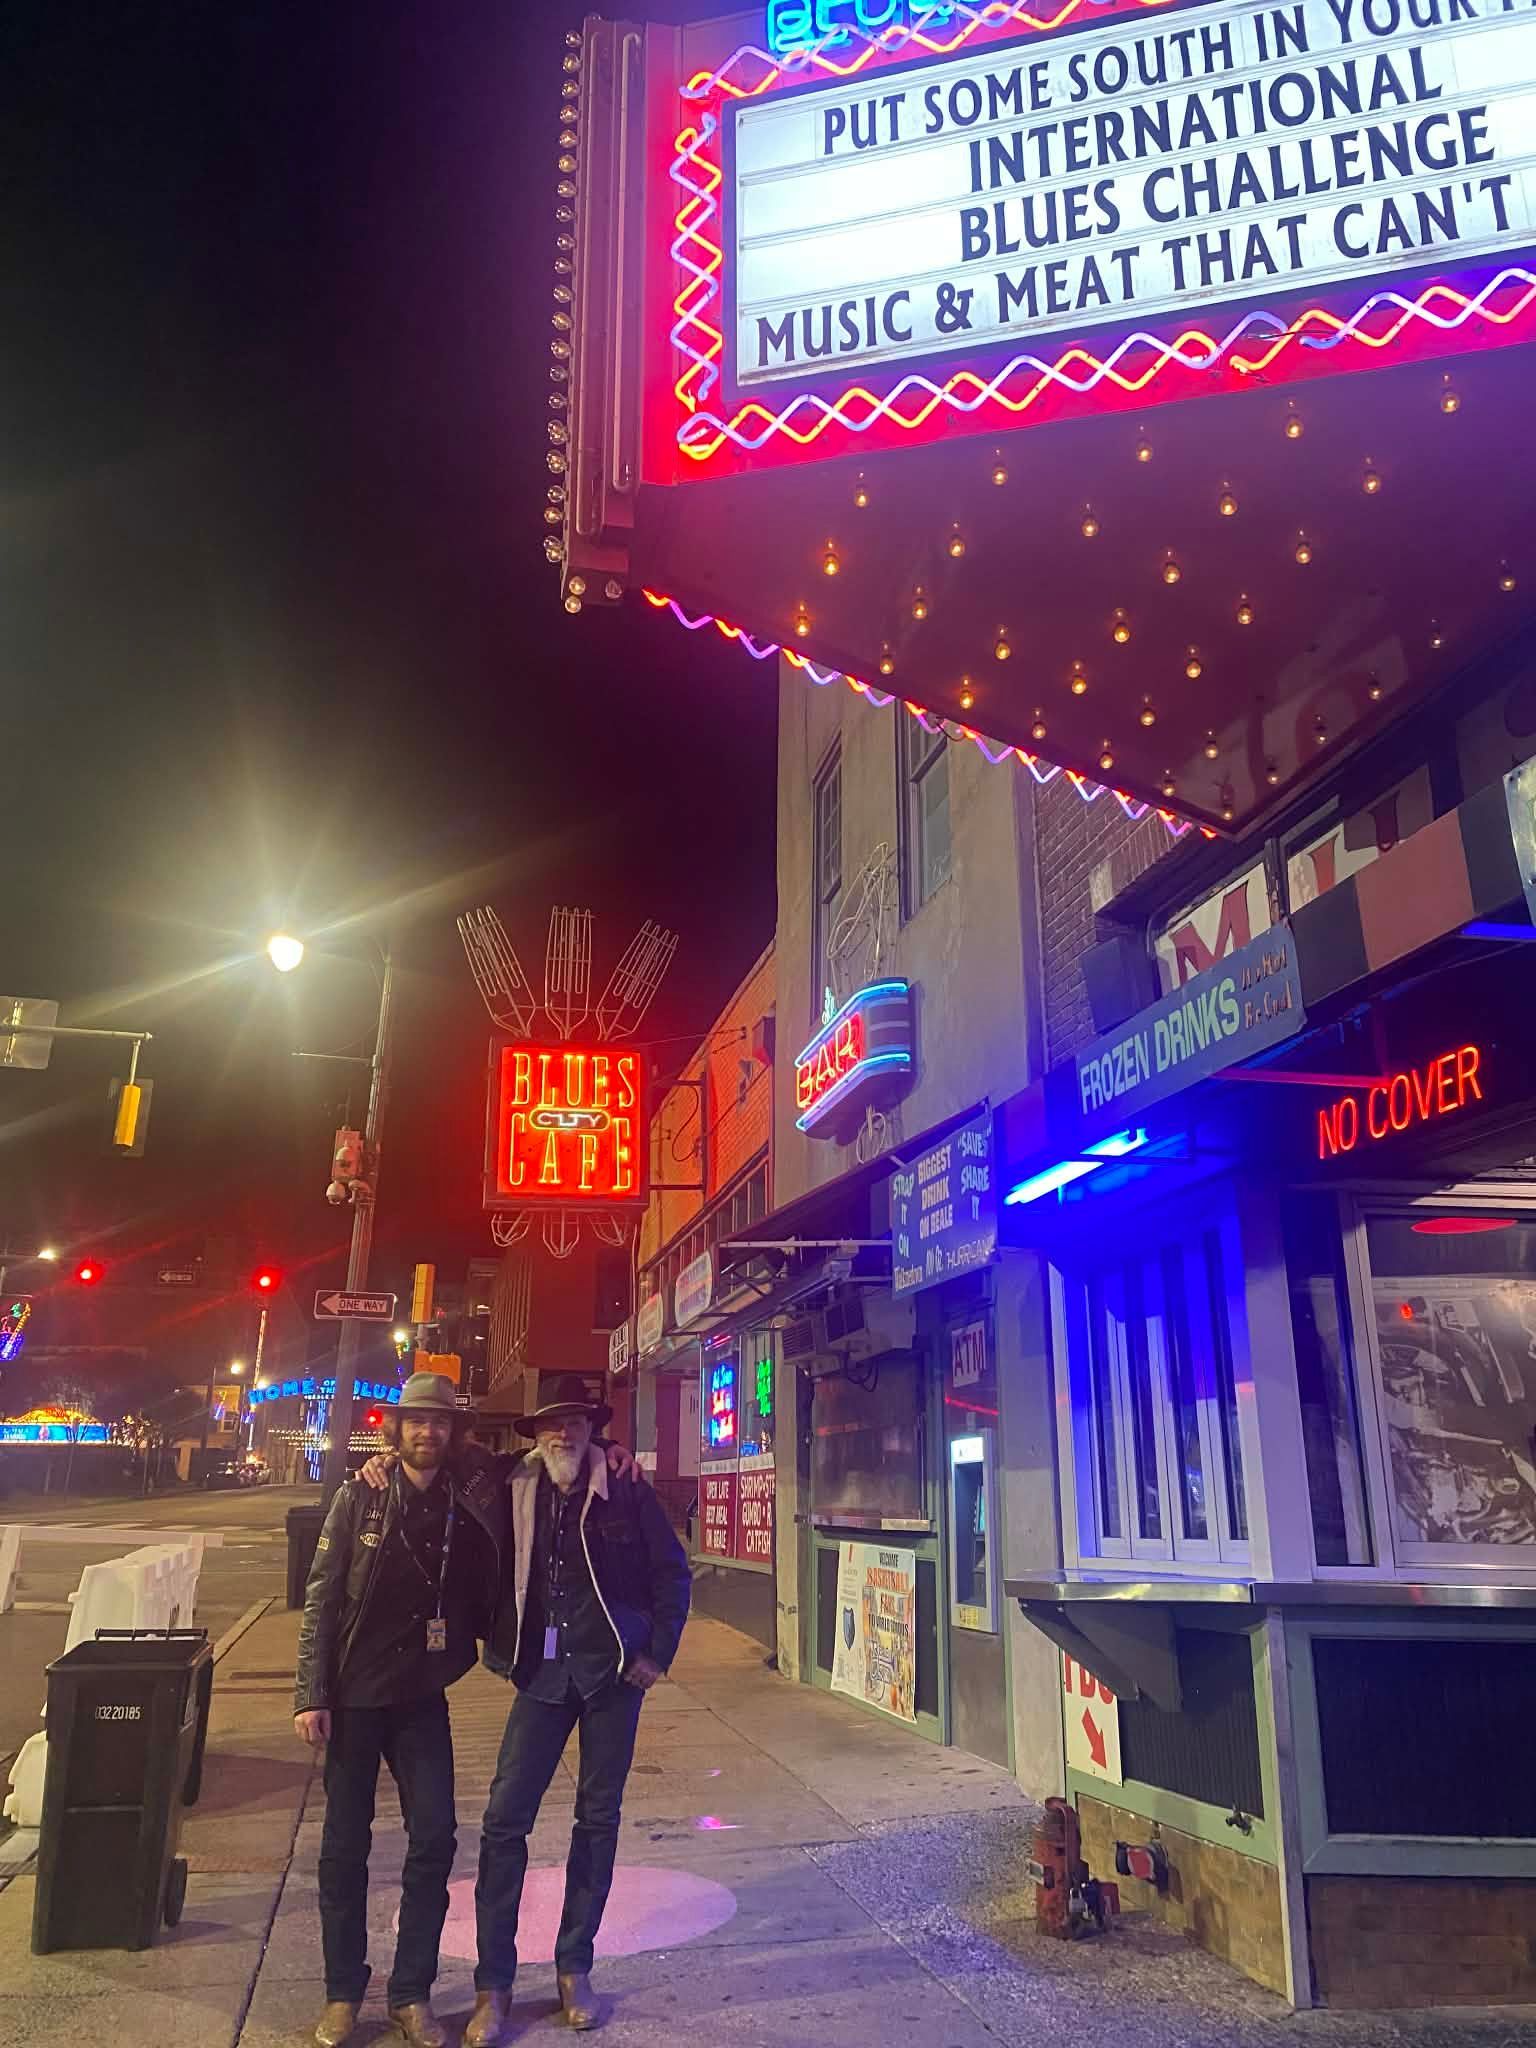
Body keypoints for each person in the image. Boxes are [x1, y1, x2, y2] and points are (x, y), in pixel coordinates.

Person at [294, 1373, 637, 2048]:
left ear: (455, 1434)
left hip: (423, 1694)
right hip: (355, 1695)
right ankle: (342, 1993)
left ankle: (410, 1994)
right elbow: (321, 1599)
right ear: (395, 1431)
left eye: (440, 1424)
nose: (428, 1433)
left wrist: (611, 1447)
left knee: (435, 1841)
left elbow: (553, 1451)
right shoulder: (359, 1497)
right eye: (416, 1423)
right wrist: (312, 1692)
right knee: (343, 1848)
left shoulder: (471, 1488)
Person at [363, 1374, 690, 2036]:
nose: (562, 1433)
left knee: (597, 1822)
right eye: (550, 1424)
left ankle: (576, 1970)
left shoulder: (624, 1486)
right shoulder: (510, 1483)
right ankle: (495, 1985)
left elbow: (671, 1573)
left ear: (592, 1431)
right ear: (535, 1436)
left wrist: (656, 1650)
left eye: (574, 1423)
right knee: (504, 1823)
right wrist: (384, 1457)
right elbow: (442, 1451)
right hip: (539, 1675)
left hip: (612, 1677)